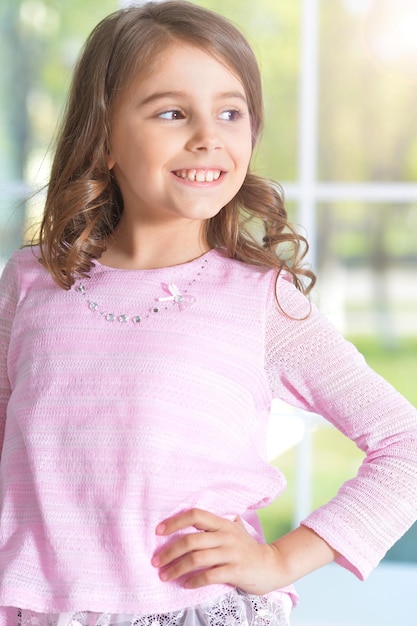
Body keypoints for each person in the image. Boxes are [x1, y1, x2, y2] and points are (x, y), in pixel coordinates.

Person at [0, 1, 416, 624]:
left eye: (230, 112)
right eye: (172, 112)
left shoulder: (260, 299)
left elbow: (404, 444)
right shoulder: (31, 283)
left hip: (188, 611)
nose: (209, 136)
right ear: (104, 137)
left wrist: (280, 560)